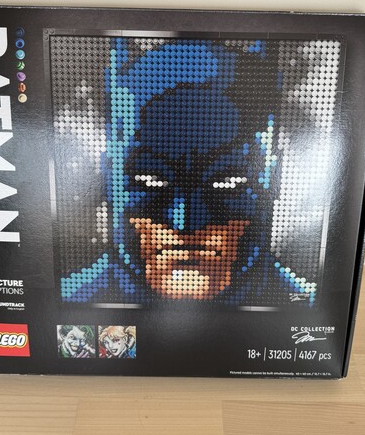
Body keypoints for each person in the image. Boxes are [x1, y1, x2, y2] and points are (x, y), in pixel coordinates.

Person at [61, 38, 316, 306]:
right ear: (108, 177)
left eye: (227, 183)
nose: (184, 222)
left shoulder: (303, 305)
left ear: (274, 179)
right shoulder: (73, 301)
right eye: (150, 181)